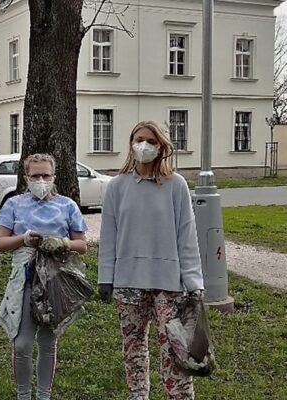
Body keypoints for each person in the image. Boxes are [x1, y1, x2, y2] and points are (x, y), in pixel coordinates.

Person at [98, 121, 204, 400]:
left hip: (168, 283)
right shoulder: (117, 187)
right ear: (131, 144)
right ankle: (138, 395)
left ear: (161, 147)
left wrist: (193, 281)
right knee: (133, 348)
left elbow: (187, 236)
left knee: (174, 349)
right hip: (128, 280)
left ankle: (179, 396)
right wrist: (105, 278)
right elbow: (108, 236)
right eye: (138, 139)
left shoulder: (176, 185)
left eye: (151, 141)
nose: (143, 146)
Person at [0, 153, 88, 400]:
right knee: (22, 343)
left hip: (56, 282)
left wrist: (63, 242)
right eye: (35, 176)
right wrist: (23, 239)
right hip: (25, 279)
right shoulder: (14, 204)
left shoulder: (67, 206)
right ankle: (23, 395)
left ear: (54, 176)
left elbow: (82, 245)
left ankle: (44, 395)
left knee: (48, 343)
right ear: (26, 178)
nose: (41, 180)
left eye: (46, 175)